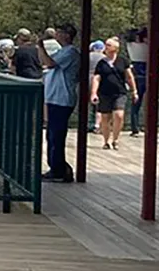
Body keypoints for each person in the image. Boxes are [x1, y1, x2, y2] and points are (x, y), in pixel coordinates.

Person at [37, 24, 80, 182]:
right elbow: (45, 61)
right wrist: (41, 49)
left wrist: (41, 47)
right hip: (54, 98)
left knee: (57, 135)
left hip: (62, 99)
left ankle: (59, 169)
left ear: (67, 35)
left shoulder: (70, 52)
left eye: (60, 32)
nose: (57, 34)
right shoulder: (62, 51)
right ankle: (56, 166)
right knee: (51, 134)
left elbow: (50, 63)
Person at [90, 39, 138, 150]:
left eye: (108, 45)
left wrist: (134, 91)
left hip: (120, 92)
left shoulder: (123, 61)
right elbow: (97, 78)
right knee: (105, 117)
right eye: (106, 45)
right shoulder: (101, 63)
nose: (106, 47)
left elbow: (129, 77)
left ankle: (115, 139)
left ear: (115, 48)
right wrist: (94, 93)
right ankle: (106, 141)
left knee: (119, 115)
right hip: (104, 93)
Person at [88, 41, 107, 133]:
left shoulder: (88, 56)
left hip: (86, 79)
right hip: (99, 80)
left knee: (87, 103)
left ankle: (87, 123)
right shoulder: (104, 58)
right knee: (99, 104)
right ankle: (97, 125)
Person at [130, 60, 147, 136]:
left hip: (138, 79)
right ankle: (137, 128)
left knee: (135, 105)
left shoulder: (135, 60)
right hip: (145, 78)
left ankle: (135, 129)